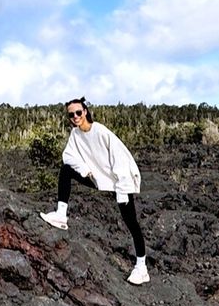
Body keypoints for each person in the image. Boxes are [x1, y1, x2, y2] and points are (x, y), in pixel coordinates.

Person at [40, 97, 150, 285]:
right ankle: (61, 214)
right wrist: (85, 171)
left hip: (118, 181)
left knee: (131, 222)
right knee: (66, 170)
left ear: (85, 111)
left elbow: (120, 158)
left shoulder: (100, 131)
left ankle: (141, 268)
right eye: (71, 114)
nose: (75, 117)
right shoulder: (75, 134)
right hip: (98, 179)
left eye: (78, 112)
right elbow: (68, 156)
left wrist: (122, 189)